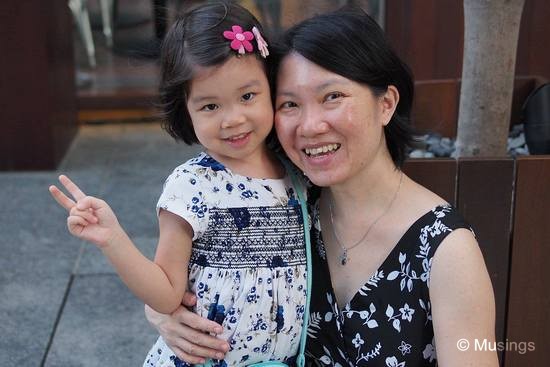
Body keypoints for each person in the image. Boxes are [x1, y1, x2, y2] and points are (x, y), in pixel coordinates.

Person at [145, 7, 499, 367]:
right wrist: (165, 314)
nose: (310, 126)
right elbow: (184, 277)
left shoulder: (446, 251)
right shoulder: (287, 202)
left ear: (386, 104)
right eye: (290, 104)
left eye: (332, 97)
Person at [49, 2, 310, 366]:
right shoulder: (193, 186)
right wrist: (114, 240)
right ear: (184, 110)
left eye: (247, 96)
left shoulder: (297, 172)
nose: (233, 119)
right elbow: (166, 294)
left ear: (271, 85)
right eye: (209, 106)